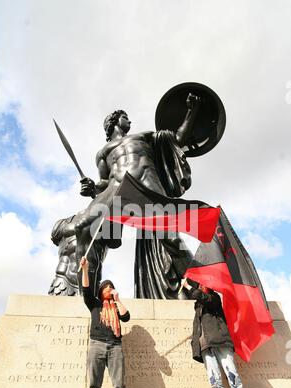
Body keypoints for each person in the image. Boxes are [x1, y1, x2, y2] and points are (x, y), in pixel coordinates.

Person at [76, 93, 200, 299]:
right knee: (85, 230)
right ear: (114, 121)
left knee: (170, 238)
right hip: (118, 194)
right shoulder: (102, 152)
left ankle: (199, 285)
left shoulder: (144, 136)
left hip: (147, 189)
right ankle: (87, 295)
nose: (129, 120)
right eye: (125, 116)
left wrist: (192, 111)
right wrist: (92, 188)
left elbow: (178, 138)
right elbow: (104, 182)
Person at [182, 278, 252, 388]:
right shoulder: (198, 305)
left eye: (204, 285)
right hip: (205, 347)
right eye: (200, 284)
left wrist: (187, 286)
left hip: (221, 342)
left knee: (232, 376)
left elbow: (202, 297)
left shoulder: (213, 298)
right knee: (215, 381)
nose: (202, 286)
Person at [80, 256, 136, 388]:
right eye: (106, 287)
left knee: (119, 383)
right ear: (100, 291)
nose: (109, 288)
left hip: (115, 346)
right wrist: (85, 269)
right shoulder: (95, 304)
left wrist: (117, 300)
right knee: (93, 384)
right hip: (97, 344)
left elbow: (126, 317)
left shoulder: (116, 307)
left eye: (111, 287)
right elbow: (86, 289)